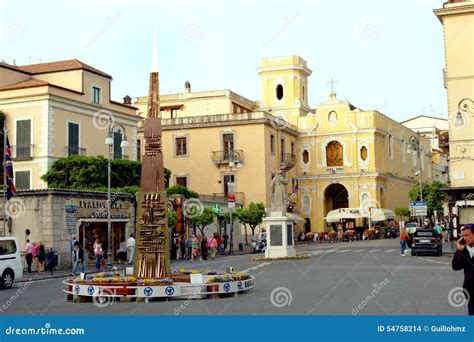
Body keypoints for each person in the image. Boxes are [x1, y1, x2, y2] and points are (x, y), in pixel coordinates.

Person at [452, 224, 474, 315]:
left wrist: (464, 252)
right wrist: (461, 251)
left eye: (467, 235)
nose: (465, 238)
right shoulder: (463, 249)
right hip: (471, 293)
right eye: (463, 236)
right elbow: (456, 267)